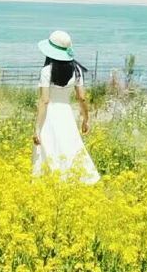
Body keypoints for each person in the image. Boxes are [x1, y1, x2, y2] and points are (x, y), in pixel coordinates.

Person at [32, 30, 99, 184]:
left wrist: (37, 128)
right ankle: (73, 179)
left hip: (50, 115)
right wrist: (86, 119)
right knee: (69, 146)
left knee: (49, 148)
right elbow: (81, 97)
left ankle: (50, 182)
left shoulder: (46, 71)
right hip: (66, 113)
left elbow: (44, 101)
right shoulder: (77, 70)